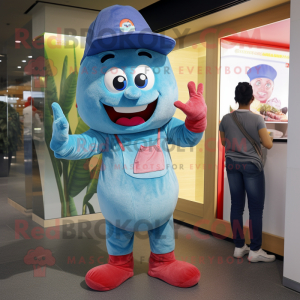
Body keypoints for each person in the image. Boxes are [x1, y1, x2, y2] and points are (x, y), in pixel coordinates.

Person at [219, 82, 275, 263]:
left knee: (236, 206)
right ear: (252, 98)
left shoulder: (226, 119)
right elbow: (268, 144)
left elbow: (223, 142)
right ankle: (255, 250)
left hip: (232, 165)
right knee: (255, 209)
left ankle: (238, 246)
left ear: (236, 98)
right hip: (252, 167)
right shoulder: (257, 119)